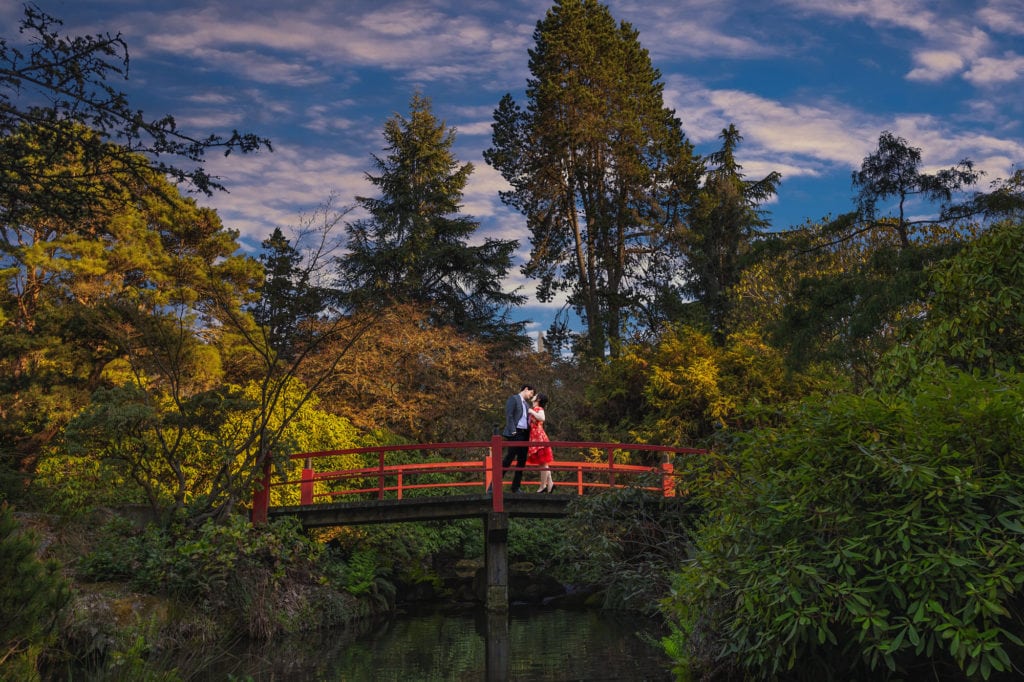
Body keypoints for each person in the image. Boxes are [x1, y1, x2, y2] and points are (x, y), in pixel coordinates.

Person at [495, 383, 535, 493]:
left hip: (524, 433)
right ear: (526, 389)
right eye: (531, 393)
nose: (531, 395)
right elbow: (509, 415)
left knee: (522, 461)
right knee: (509, 458)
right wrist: (513, 431)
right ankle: (494, 485)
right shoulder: (513, 399)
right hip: (515, 432)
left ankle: (516, 487)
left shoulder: (526, 405)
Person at [527, 393, 554, 493]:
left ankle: (543, 485)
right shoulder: (535, 409)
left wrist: (531, 412)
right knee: (543, 462)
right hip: (536, 437)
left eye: (536, 395)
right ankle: (550, 483)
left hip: (539, 437)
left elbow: (542, 418)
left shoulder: (538, 409)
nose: (533, 396)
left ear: (538, 399)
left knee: (543, 462)